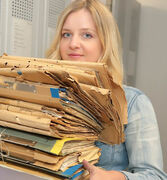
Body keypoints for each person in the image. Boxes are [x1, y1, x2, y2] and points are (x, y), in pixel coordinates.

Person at [46, 0, 167, 179]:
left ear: (105, 43)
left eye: (87, 35)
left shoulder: (133, 102)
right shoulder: (45, 96)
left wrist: (113, 177)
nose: (73, 44)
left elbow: (155, 176)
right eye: (66, 34)